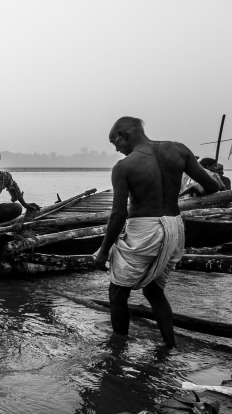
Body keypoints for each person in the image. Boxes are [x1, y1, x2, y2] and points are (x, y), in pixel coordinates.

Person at [93, 117, 221, 347]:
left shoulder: (124, 167)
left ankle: (117, 352)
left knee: (117, 293)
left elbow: (118, 214)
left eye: (115, 142)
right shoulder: (178, 150)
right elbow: (213, 186)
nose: (116, 148)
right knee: (154, 290)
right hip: (175, 226)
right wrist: (196, 188)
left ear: (123, 135)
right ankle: (169, 346)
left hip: (144, 229)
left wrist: (103, 251)